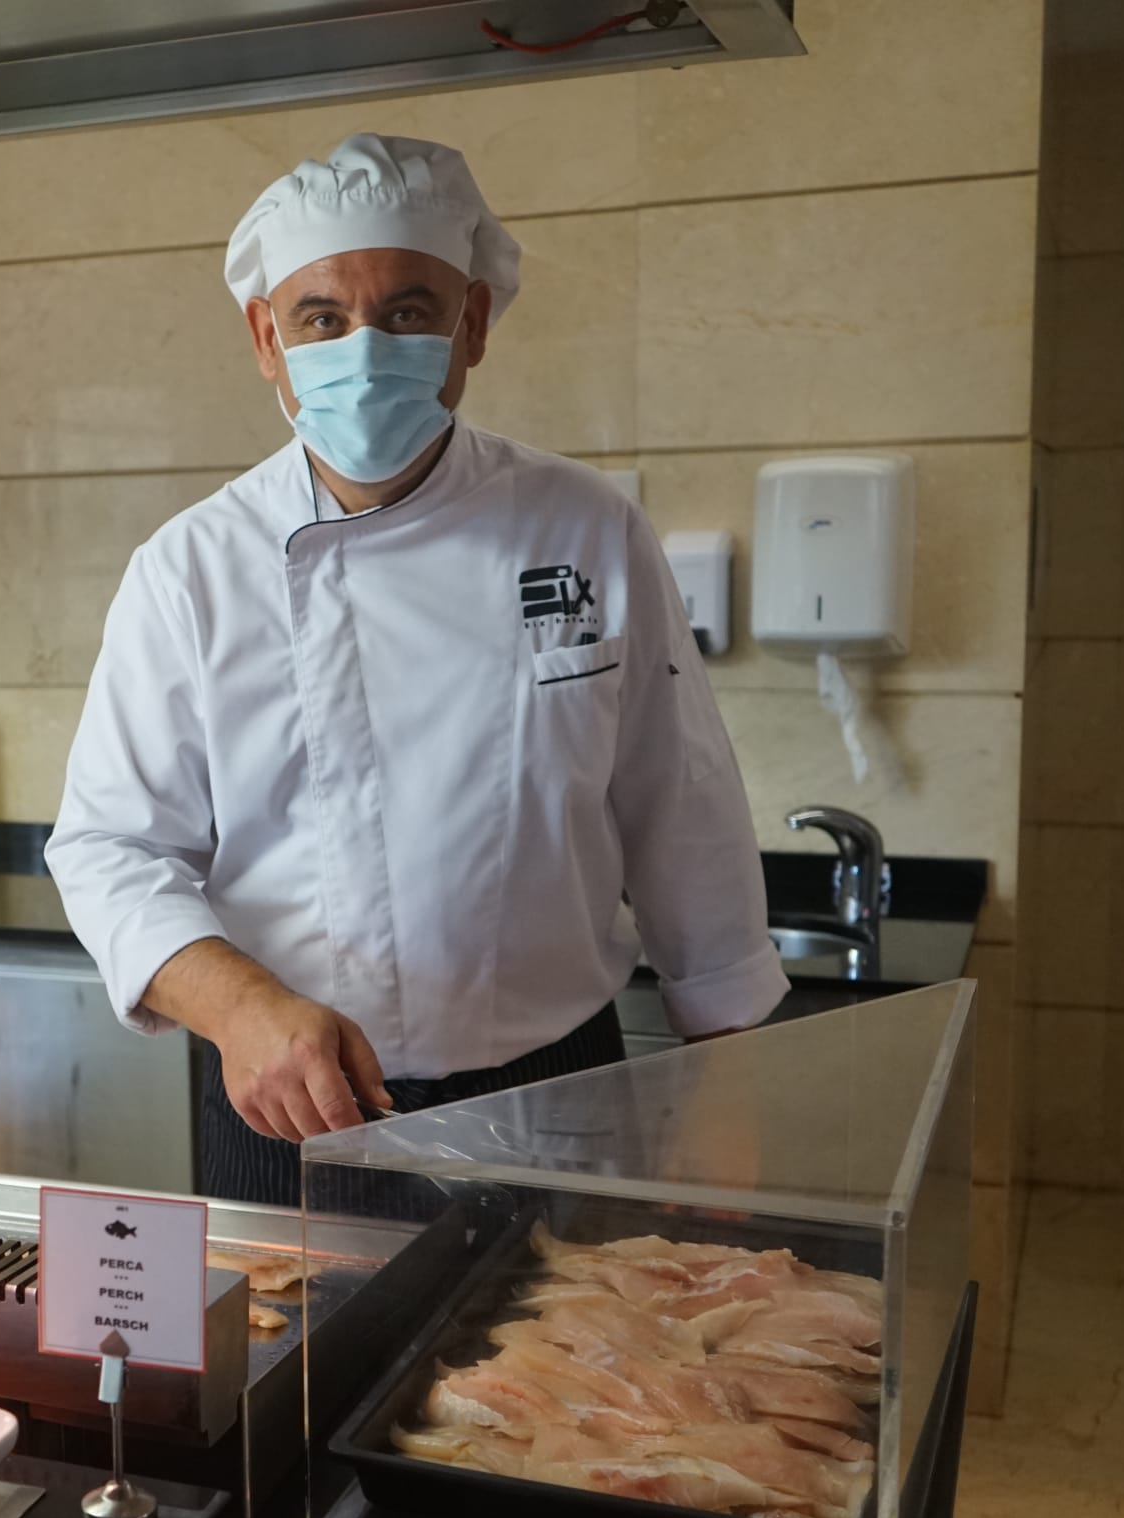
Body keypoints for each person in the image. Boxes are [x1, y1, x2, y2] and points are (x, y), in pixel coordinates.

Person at [45, 134, 789, 1205]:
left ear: (471, 323)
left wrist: (729, 1078)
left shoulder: (584, 528)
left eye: (406, 312)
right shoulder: (189, 570)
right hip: (291, 1106)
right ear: (265, 338)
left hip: (556, 1096)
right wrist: (240, 1009)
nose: (362, 350)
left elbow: (681, 804)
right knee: (295, 1328)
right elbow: (111, 848)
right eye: (320, 318)